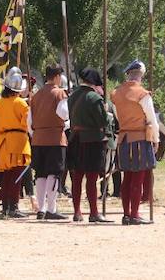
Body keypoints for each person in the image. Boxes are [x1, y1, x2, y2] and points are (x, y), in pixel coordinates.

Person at [112, 60, 159, 224]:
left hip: (123, 139)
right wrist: (156, 139)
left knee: (127, 178)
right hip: (140, 139)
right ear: (141, 75)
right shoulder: (142, 94)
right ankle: (134, 214)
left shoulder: (116, 93)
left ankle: (127, 214)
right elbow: (152, 119)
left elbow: (118, 117)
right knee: (137, 178)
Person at [67, 68, 111, 223]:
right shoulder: (95, 98)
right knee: (92, 178)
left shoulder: (72, 96)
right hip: (92, 140)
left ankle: (77, 212)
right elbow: (103, 121)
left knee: (77, 178)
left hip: (75, 139)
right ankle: (94, 212)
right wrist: (105, 110)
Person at [0, 69, 30, 219]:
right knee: (17, 177)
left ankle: (6, 207)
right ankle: (13, 207)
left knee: (8, 177)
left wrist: (0, 139)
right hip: (18, 143)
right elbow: (28, 123)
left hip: (3, 143)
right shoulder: (21, 103)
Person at [29, 63, 70, 221]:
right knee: (54, 173)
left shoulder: (36, 96)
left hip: (38, 139)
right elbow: (64, 114)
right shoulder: (60, 93)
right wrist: (67, 124)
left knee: (40, 174)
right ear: (58, 76)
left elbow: (29, 122)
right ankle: (51, 209)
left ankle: (41, 209)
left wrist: (36, 134)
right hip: (55, 139)